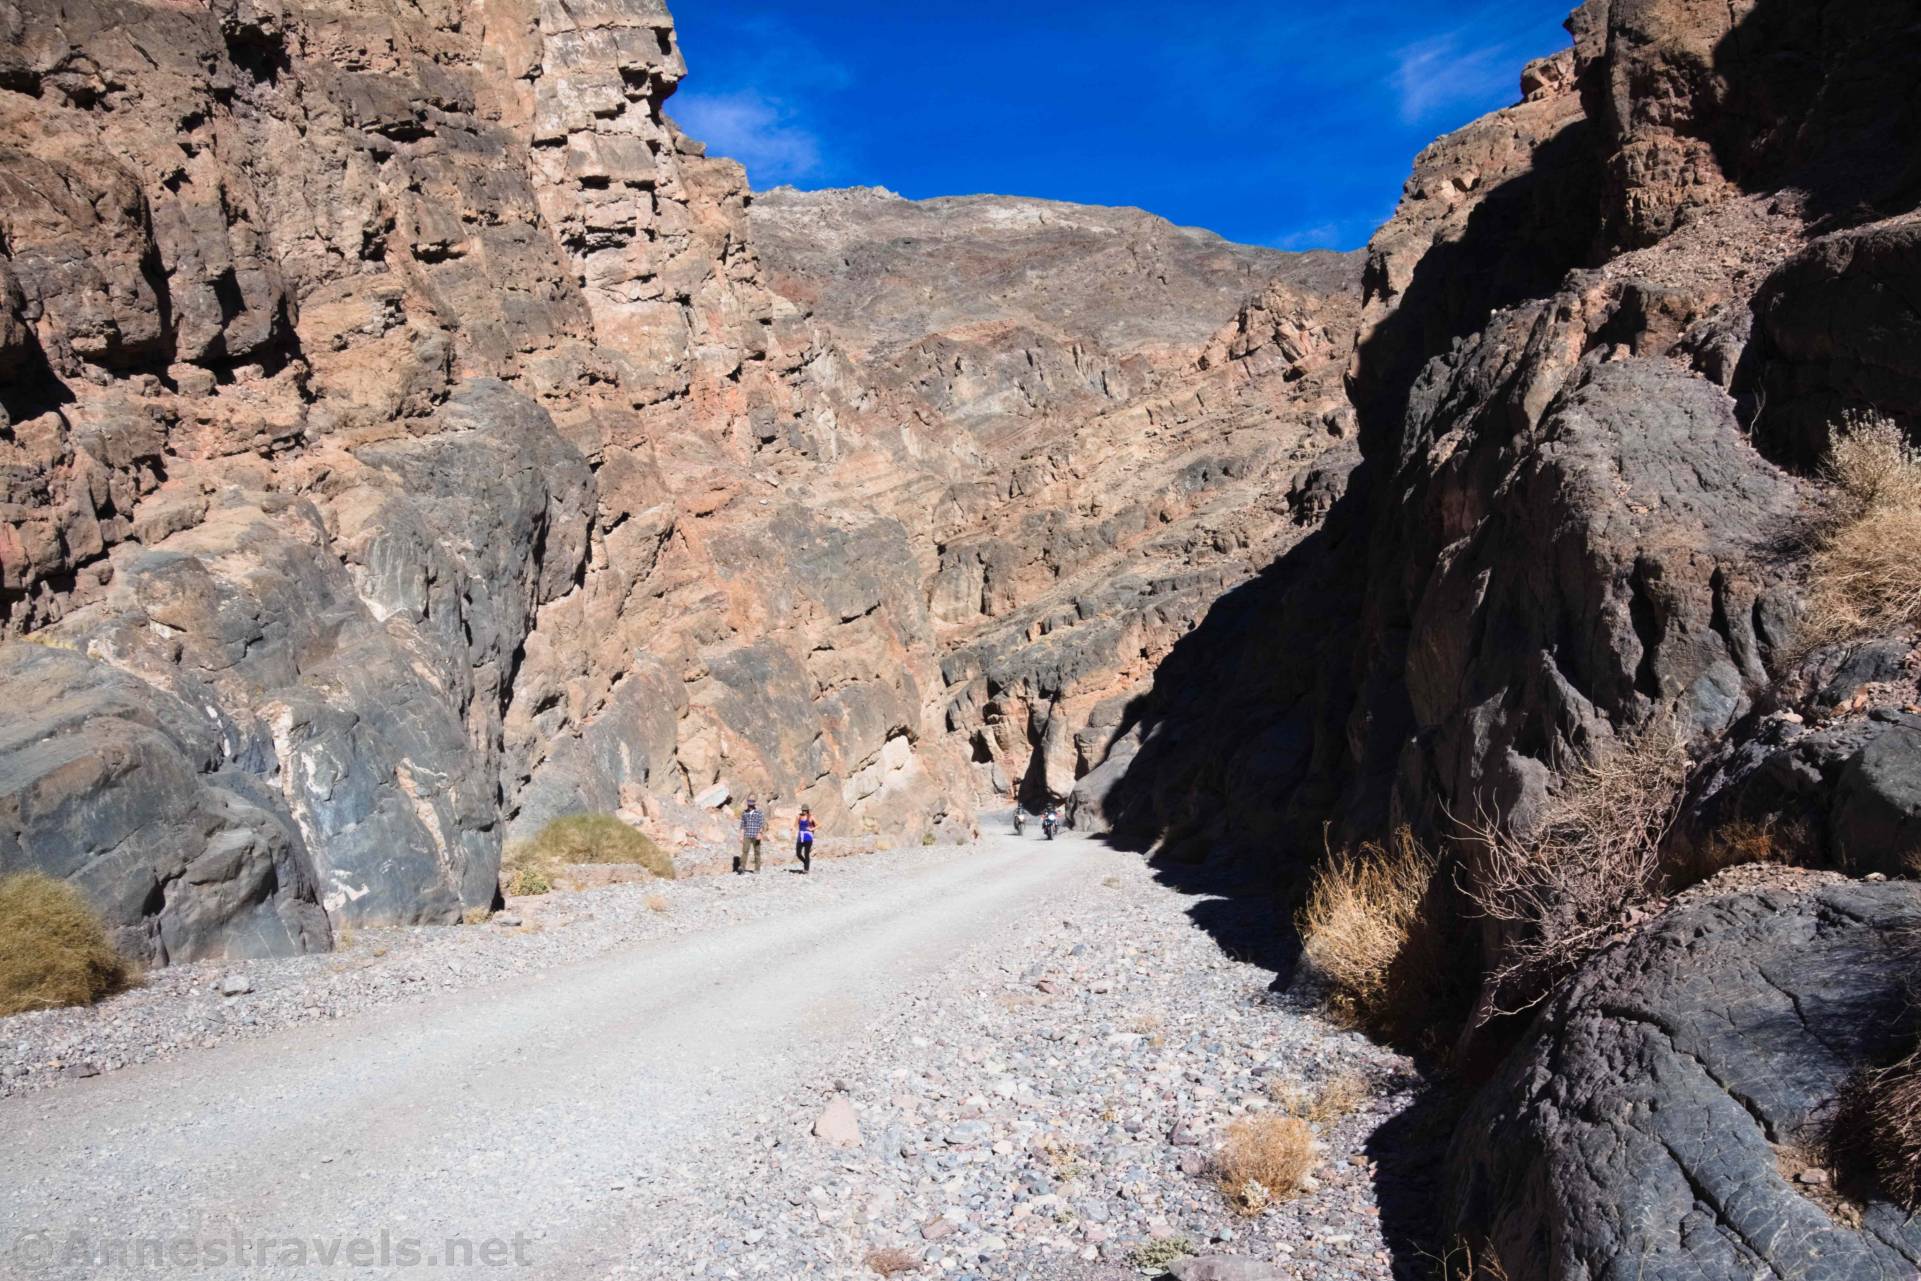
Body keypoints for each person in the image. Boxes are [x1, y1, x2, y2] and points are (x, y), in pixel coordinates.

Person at [737, 798, 765, 874]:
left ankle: (757, 868)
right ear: (748, 804)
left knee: (757, 852)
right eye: (749, 804)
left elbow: (762, 824)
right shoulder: (744, 813)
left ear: (754, 804)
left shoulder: (759, 813)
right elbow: (742, 825)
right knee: (745, 851)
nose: (750, 806)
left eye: (751, 804)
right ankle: (742, 868)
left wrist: (760, 833)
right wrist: (741, 836)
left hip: (756, 835)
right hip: (747, 835)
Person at [794, 805, 816, 873]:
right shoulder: (798, 816)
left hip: (808, 837)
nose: (804, 811)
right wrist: (793, 829)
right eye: (803, 810)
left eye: (805, 810)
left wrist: (812, 828)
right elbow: (795, 825)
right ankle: (806, 863)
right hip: (800, 836)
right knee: (798, 854)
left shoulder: (811, 817)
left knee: (806, 854)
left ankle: (806, 869)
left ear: (808, 810)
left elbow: (819, 825)